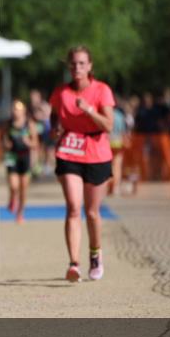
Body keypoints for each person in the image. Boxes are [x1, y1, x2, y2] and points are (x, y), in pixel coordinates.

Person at [49, 46, 115, 282]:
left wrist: (88, 111)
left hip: (97, 153)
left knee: (92, 212)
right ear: (69, 66)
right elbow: (54, 115)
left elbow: (108, 125)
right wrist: (55, 127)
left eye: (82, 63)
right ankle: (74, 263)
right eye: (73, 64)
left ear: (90, 66)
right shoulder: (61, 92)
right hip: (69, 152)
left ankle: (95, 255)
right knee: (74, 207)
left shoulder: (101, 90)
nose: (77, 68)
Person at [2, 99, 38, 222]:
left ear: (23, 111)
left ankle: (20, 213)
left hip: (25, 156)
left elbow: (35, 143)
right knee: (13, 185)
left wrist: (29, 142)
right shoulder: (9, 123)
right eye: (14, 109)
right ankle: (12, 198)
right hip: (12, 156)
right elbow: (4, 139)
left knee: (23, 188)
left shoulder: (29, 124)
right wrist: (6, 144)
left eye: (18, 110)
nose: (15, 112)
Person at [29, 89, 52, 179]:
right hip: (35, 131)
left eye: (35, 97)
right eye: (32, 97)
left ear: (39, 97)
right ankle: (35, 167)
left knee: (46, 149)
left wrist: (40, 115)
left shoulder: (44, 105)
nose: (33, 99)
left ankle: (46, 165)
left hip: (46, 130)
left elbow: (48, 115)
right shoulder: (30, 107)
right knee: (35, 148)